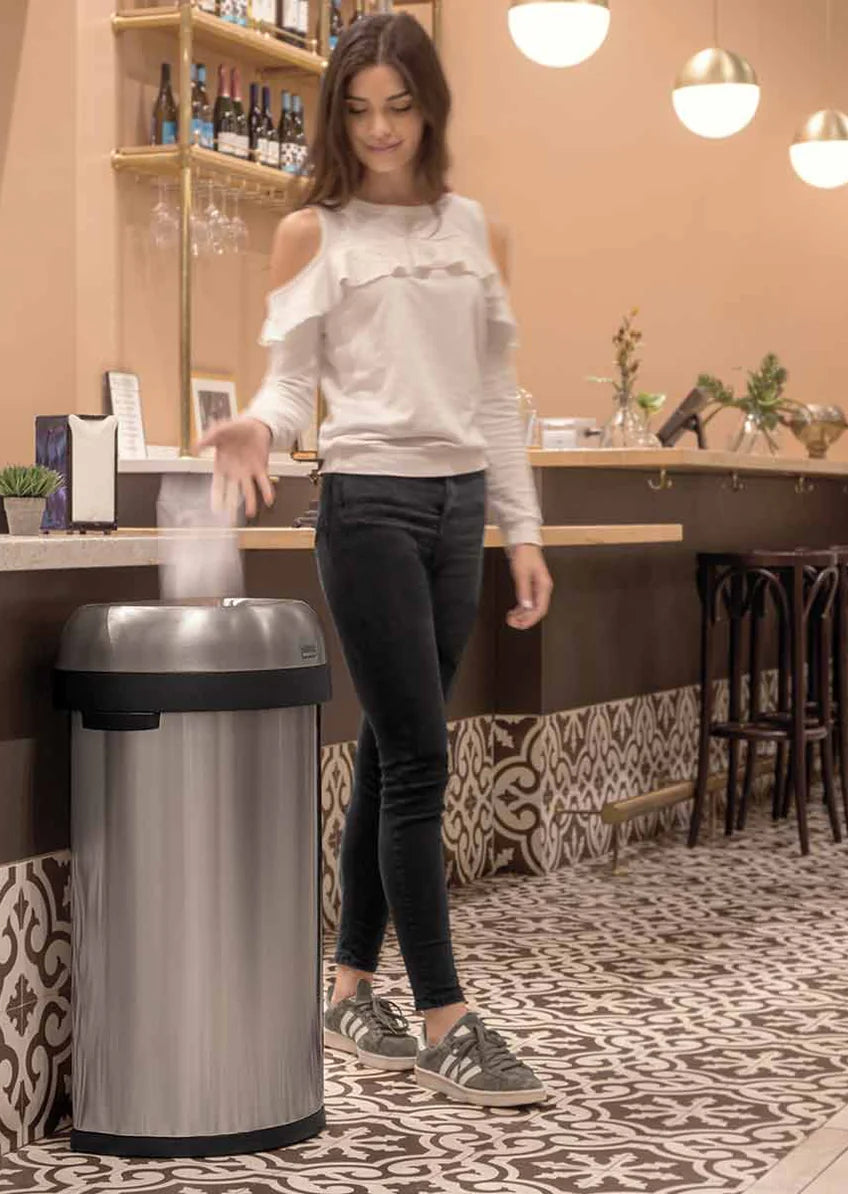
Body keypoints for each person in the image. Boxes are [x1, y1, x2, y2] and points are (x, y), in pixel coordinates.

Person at [197, 11, 552, 1108]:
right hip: (364, 508)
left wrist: (521, 529)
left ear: (429, 107)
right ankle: (447, 1018)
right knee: (423, 756)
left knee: (400, 757)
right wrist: (260, 423)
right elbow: (292, 386)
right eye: (358, 109)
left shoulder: (473, 228)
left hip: (454, 513)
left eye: (399, 105)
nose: (381, 127)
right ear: (336, 115)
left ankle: (350, 987)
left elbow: (494, 397)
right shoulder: (315, 231)